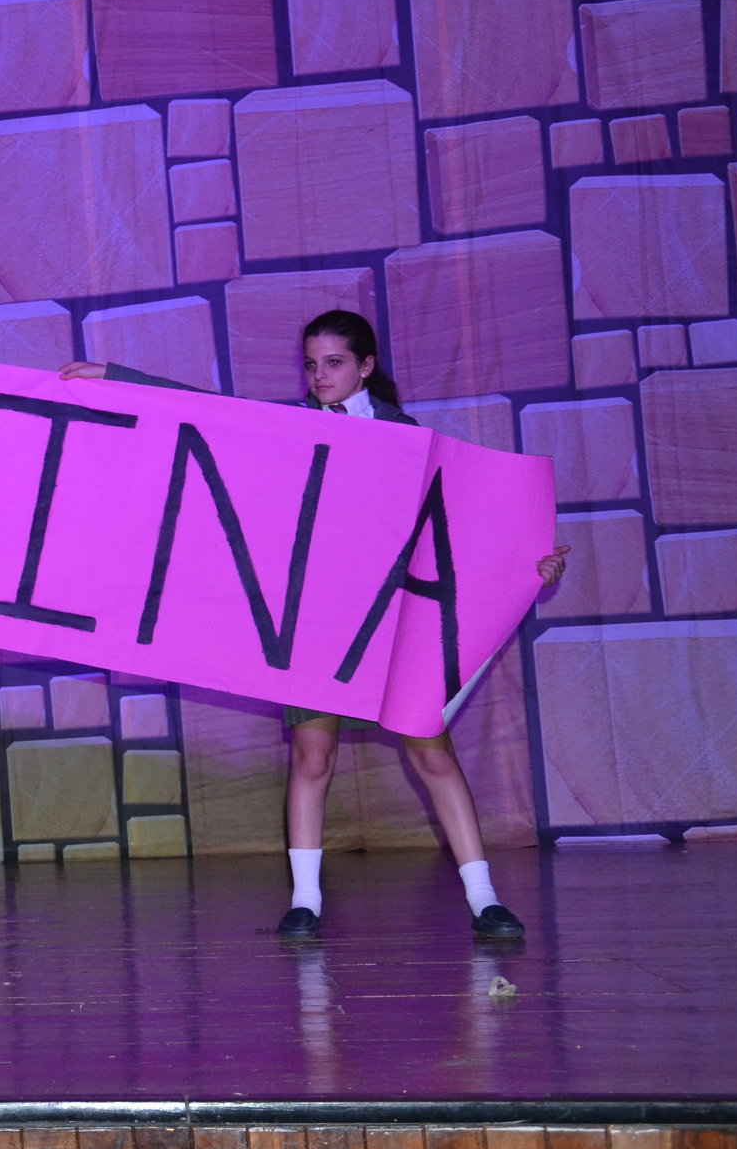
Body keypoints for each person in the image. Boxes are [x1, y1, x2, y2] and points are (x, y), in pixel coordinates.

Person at [61, 309, 568, 942]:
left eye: (333, 362)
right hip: (314, 620)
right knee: (312, 753)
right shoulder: (294, 428)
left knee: (431, 751)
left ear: (366, 366)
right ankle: (305, 901)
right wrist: (116, 377)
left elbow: (465, 530)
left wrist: (531, 568)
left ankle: (485, 899)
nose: (319, 375)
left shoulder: (409, 439)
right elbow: (210, 413)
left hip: (393, 621)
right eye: (310, 364)